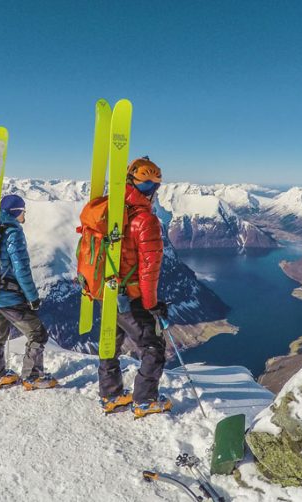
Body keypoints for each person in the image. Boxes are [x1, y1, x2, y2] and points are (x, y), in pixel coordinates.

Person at [97, 156, 172, 418]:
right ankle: (144, 400)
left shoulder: (110, 211)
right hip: (130, 295)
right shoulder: (146, 221)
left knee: (111, 344)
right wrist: (151, 305)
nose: (151, 192)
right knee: (153, 348)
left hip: (106, 291)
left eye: (153, 187)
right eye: (148, 186)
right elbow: (149, 271)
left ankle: (111, 395)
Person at [0, 194, 57, 391]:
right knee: (37, 334)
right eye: (23, 211)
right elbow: (21, 268)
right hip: (10, 295)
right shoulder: (13, 232)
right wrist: (32, 297)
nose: (24, 215)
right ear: (16, 212)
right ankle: (32, 377)